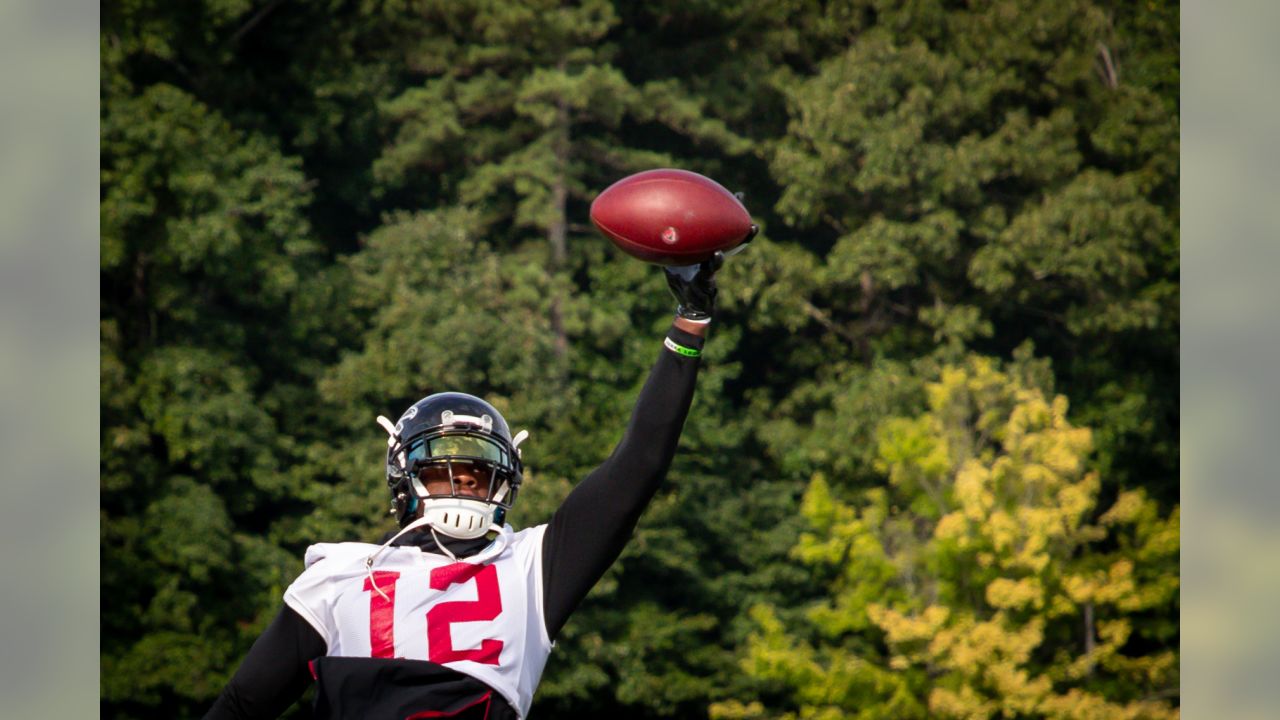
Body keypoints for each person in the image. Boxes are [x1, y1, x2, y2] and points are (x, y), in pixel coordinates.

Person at [204, 247, 744, 720]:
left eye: (477, 476)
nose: (462, 488)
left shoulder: (534, 568)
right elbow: (243, 706)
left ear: (505, 485)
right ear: (405, 481)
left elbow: (638, 466)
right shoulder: (341, 575)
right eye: (444, 475)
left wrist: (689, 322)